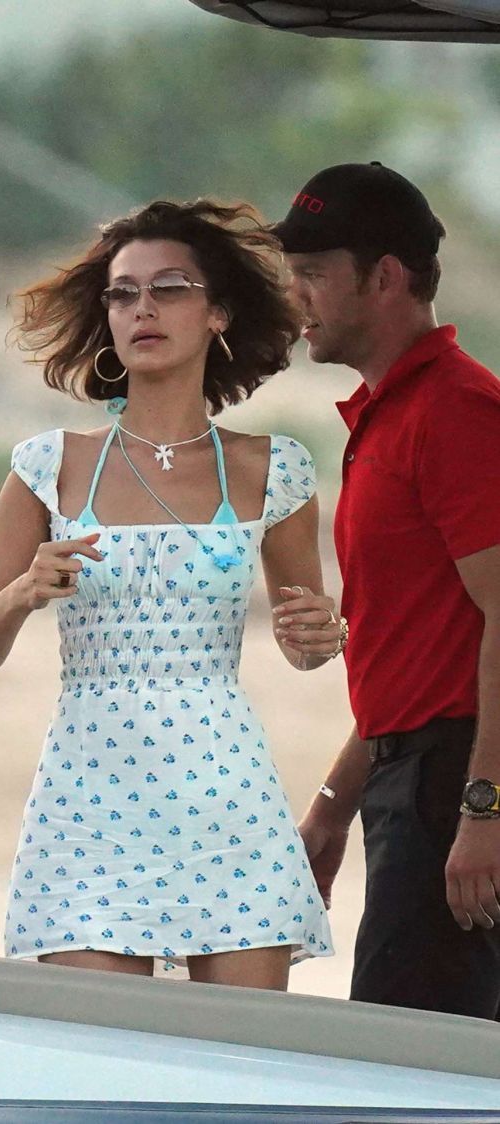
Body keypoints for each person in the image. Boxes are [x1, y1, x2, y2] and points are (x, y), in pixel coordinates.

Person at [0, 199, 346, 990]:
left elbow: (307, 645)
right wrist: (26, 590)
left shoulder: (273, 469)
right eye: (123, 294)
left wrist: (320, 635)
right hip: (89, 802)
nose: (143, 309)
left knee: (246, 1053)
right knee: (95, 1050)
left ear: (218, 312)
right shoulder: (48, 466)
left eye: (169, 289)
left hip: (228, 801)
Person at [272, 162, 500, 1018]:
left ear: (386, 277)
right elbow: (412, 656)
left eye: (314, 272)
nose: (297, 296)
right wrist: (334, 807)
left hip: (457, 777)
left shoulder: (456, 410)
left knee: (413, 1053)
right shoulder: (391, 414)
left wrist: (485, 810)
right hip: (416, 776)